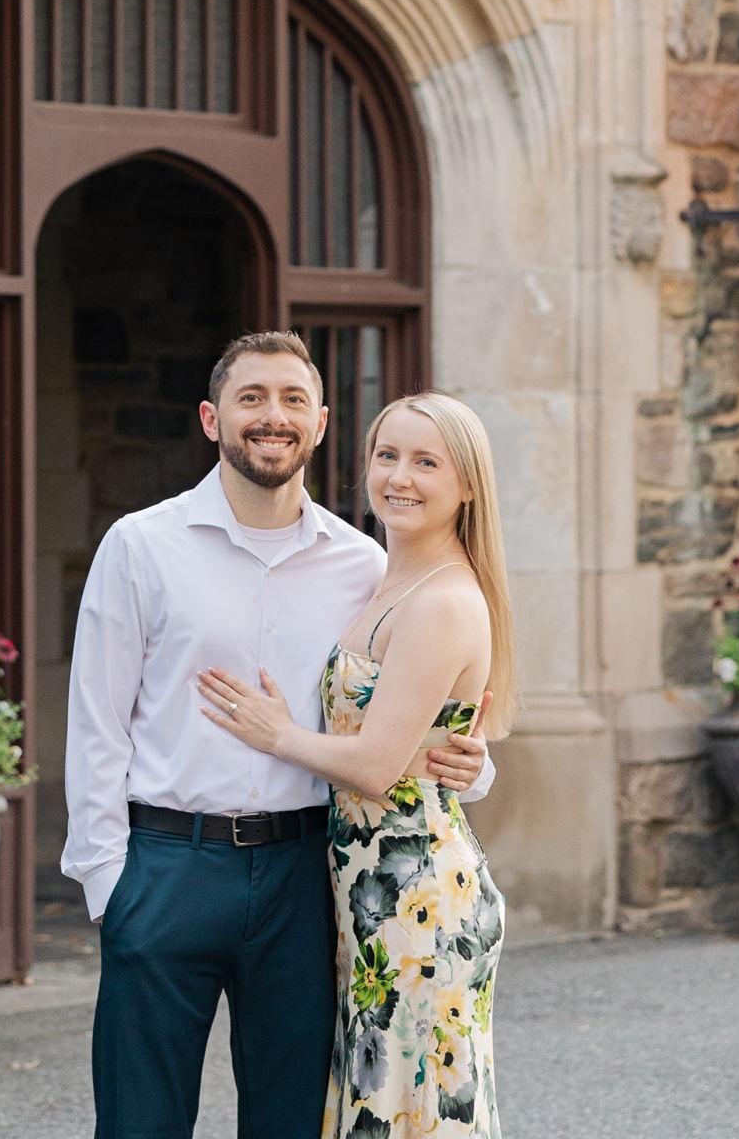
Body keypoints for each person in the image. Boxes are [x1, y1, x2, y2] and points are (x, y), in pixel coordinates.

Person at [64, 333, 496, 1139]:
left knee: (295, 1120)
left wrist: (474, 766)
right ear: (211, 418)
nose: (274, 416)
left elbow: (407, 701)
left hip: (305, 878)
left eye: (294, 400)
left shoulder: (365, 564)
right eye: (252, 398)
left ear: (322, 423)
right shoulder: (141, 546)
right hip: (169, 865)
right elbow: (97, 722)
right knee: (138, 1121)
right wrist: (108, 885)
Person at [201, 390, 515, 1138]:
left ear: (467, 485)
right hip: (370, 892)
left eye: (426, 462)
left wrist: (276, 734)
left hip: (415, 897)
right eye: (387, 455)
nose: (399, 477)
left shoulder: (442, 601)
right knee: (383, 1105)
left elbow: (376, 766)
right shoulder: (384, 577)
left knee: (411, 1110)